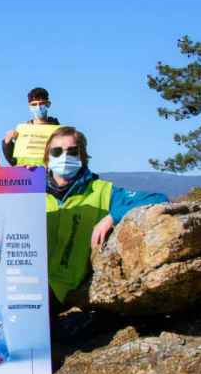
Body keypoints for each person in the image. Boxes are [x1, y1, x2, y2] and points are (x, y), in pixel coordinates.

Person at [44, 126, 167, 318]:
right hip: (28, 283)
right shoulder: (31, 192)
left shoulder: (102, 191)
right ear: (47, 158)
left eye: (72, 151)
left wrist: (112, 216)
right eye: (57, 151)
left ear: (82, 156)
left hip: (63, 288)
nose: (64, 157)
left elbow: (158, 198)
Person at [2, 87, 61, 167]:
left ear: (48, 104)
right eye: (34, 104)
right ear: (29, 106)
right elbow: (14, 161)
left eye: (41, 103)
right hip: (28, 176)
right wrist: (7, 144)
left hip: (50, 177)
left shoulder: (59, 131)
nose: (38, 107)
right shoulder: (22, 131)